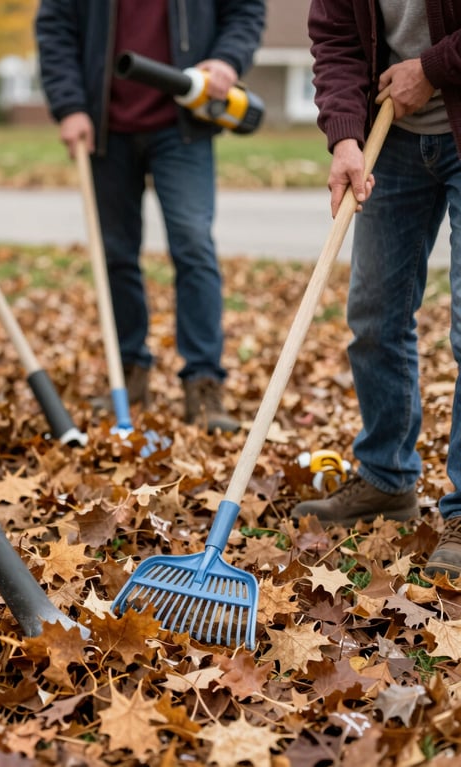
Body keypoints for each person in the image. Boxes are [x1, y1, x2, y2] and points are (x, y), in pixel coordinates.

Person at [35, 0, 264, 433]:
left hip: (184, 125)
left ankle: (203, 380)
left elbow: (245, 10)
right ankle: (129, 373)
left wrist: (226, 59)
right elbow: (56, 29)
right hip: (106, 128)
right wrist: (70, 106)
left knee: (193, 245)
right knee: (117, 255)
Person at [290, 0, 461, 579]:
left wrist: (434, 68)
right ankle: (387, 479)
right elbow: (336, 35)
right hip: (395, 136)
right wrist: (344, 136)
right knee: (374, 316)